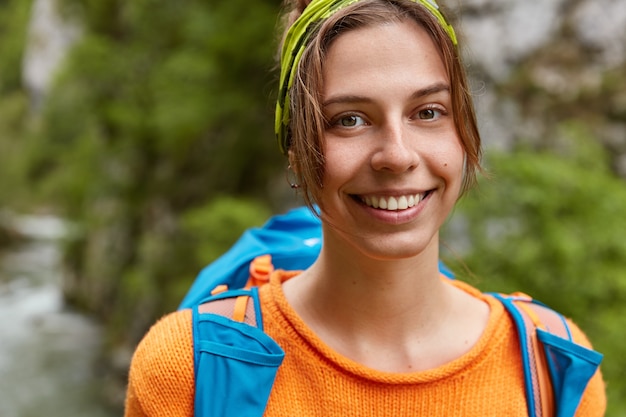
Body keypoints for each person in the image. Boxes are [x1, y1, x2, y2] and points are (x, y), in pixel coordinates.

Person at [123, 0, 606, 415]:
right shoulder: (188, 368)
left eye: (428, 112)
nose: (397, 155)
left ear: (463, 134)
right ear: (296, 151)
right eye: (349, 120)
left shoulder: (553, 368)